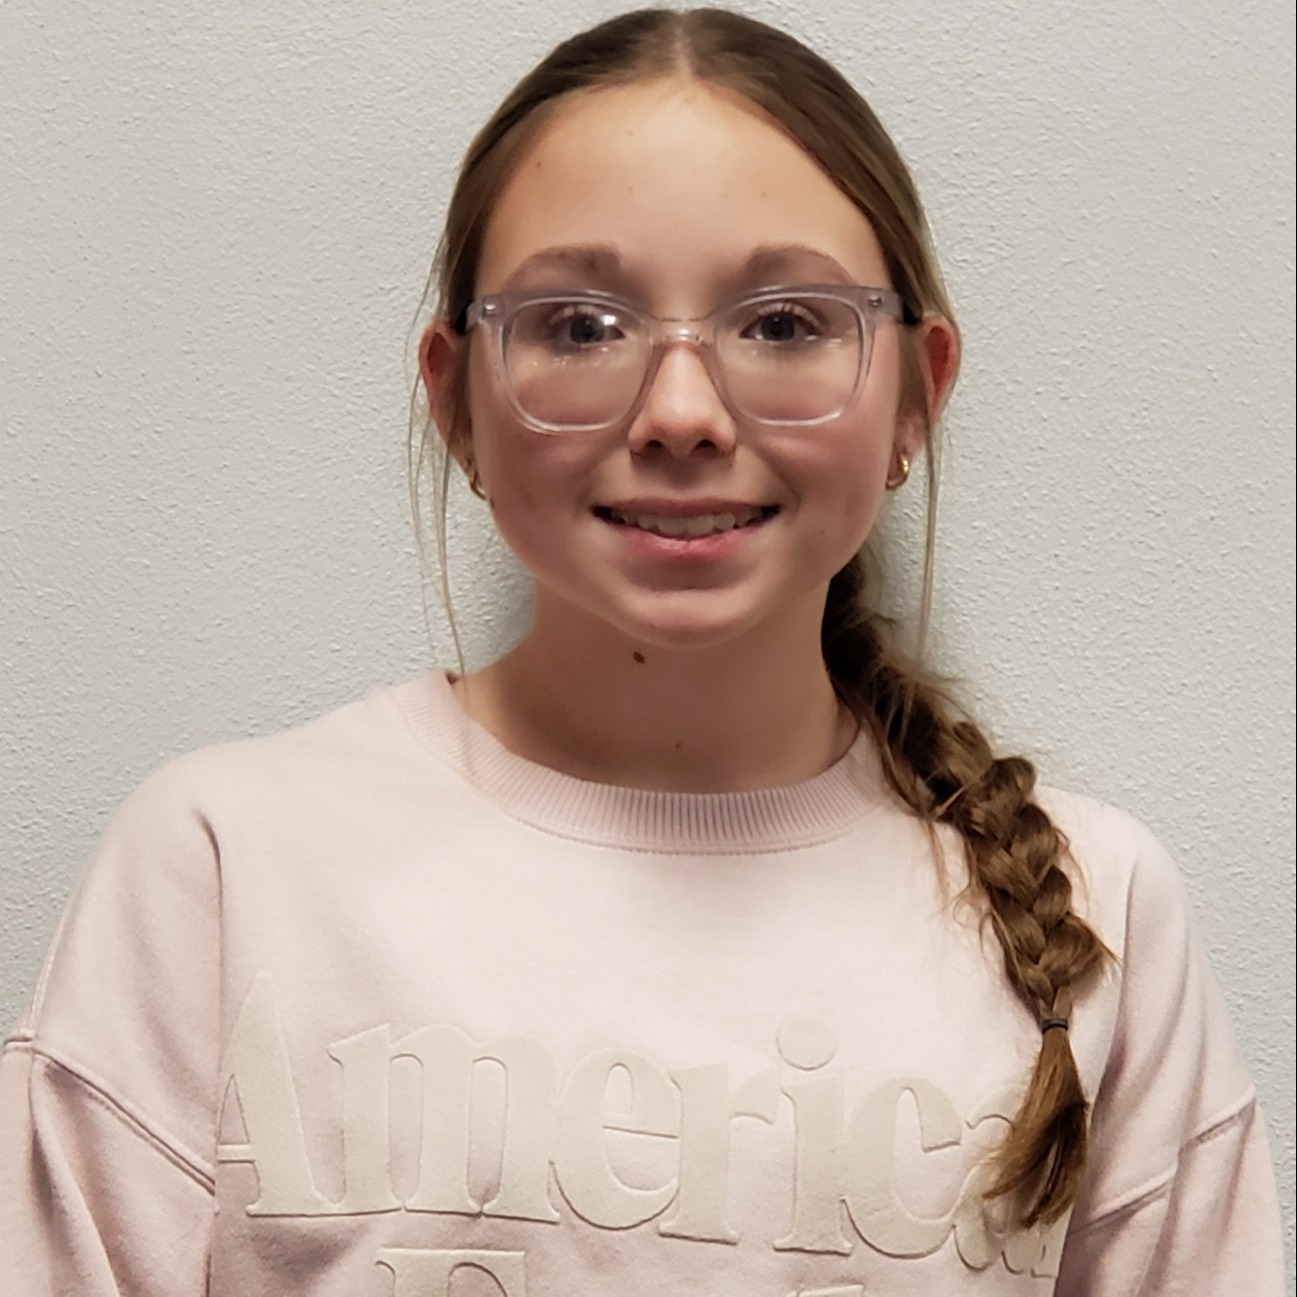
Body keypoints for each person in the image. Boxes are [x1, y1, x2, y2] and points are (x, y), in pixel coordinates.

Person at [0, 7, 1285, 1295]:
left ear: (916, 396)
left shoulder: (1100, 910)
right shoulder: (223, 869)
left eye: (784, 325)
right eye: (578, 326)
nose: (681, 414)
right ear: (456, 401)